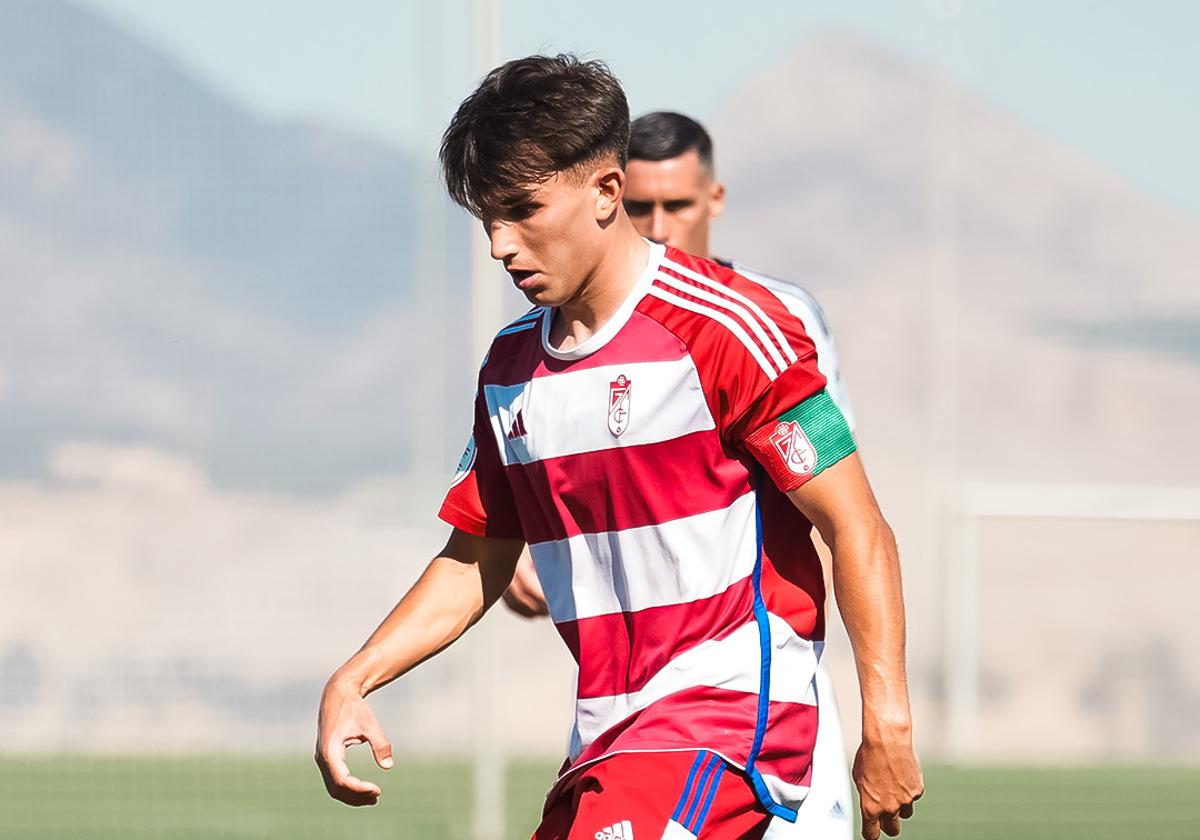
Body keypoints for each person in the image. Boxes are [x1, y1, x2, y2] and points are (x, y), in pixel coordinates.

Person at [315, 55, 922, 840]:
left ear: (607, 191)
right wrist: (355, 676)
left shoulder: (729, 328)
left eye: (523, 210)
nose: (500, 245)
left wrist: (888, 724)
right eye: (487, 219)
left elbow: (856, 526)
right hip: (606, 741)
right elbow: (478, 555)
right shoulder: (509, 371)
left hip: (726, 724)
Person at [503, 109, 860, 840]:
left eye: (678, 206)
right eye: (642, 207)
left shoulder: (773, 316)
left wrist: (876, 706)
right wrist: (530, 556)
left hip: (753, 695)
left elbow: (840, 502)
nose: (661, 225)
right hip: (625, 708)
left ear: (714, 200)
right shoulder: (549, 343)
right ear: (611, 201)